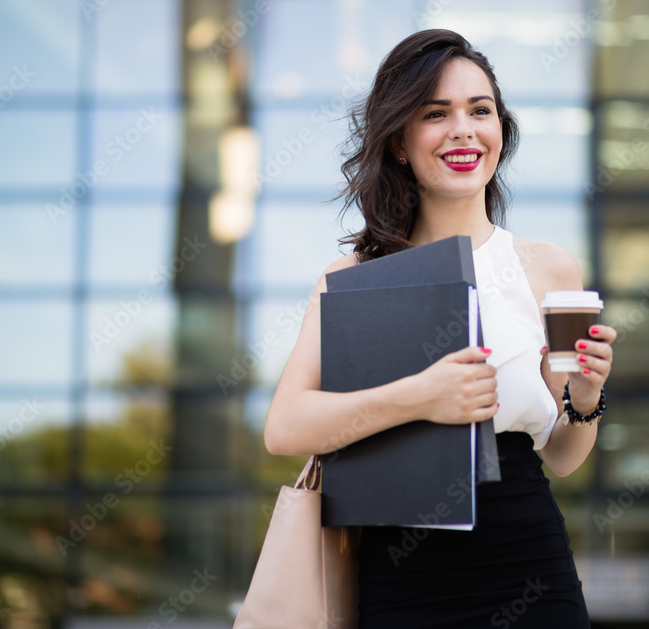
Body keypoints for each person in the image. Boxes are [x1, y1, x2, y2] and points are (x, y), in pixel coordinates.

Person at [263, 29, 615, 628]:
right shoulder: (352, 277)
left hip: (528, 560)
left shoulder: (550, 268)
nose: (464, 129)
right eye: (436, 113)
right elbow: (284, 426)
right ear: (400, 142)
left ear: (500, 130)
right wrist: (422, 397)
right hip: (401, 575)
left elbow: (562, 455)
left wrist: (585, 397)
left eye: (481, 110)